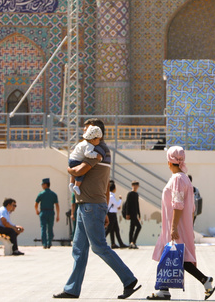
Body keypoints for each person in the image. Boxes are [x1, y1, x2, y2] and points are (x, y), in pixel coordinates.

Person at [53, 119, 141, 300]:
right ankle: (72, 289)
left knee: (99, 246)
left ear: (97, 133)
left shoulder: (98, 150)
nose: (84, 134)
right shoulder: (97, 149)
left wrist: (69, 169)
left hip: (91, 205)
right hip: (88, 204)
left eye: (87, 130)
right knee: (79, 248)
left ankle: (129, 280)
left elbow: (78, 171)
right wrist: (107, 209)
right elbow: (106, 185)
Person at [147, 146, 215, 301]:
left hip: (175, 225)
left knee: (178, 257)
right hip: (177, 224)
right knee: (171, 256)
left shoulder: (178, 179)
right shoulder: (183, 178)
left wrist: (173, 227)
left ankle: (204, 280)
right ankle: (164, 289)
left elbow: (177, 204)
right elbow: (190, 207)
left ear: (169, 161)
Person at [68, 125, 107, 195]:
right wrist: (96, 155)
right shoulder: (89, 146)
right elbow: (87, 154)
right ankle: (76, 185)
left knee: (73, 172)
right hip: (77, 161)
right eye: (98, 140)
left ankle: (71, 183)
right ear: (92, 140)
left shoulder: (82, 143)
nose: (99, 141)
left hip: (71, 159)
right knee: (81, 173)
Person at [35, 178, 60, 249]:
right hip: (51, 212)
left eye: (43, 184)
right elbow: (57, 205)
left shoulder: (41, 194)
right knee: (50, 228)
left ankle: (44, 243)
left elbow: (36, 204)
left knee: (43, 228)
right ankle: (49, 242)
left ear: (46, 185)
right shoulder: (53, 194)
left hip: (43, 212)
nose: (42, 186)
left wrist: (36, 210)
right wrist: (58, 215)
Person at [107, 180, 126, 249]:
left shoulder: (109, 195)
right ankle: (101, 241)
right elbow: (117, 204)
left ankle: (115, 243)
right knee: (109, 229)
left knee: (114, 229)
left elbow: (113, 205)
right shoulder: (111, 196)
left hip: (112, 213)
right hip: (111, 214)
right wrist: (120, 199)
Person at [124, 180, 142, 249]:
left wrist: (139, 214)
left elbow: (137, 205)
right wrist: (127, 214)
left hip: (135, 213)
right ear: (132, 186)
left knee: (132, 228)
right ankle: (132, 242)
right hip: (131, 213)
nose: (135, 186)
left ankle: (131, 243)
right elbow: (128, 204)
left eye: (136, 185)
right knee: (138, 227)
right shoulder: (130, 193)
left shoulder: (136, 194)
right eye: (134, 185)